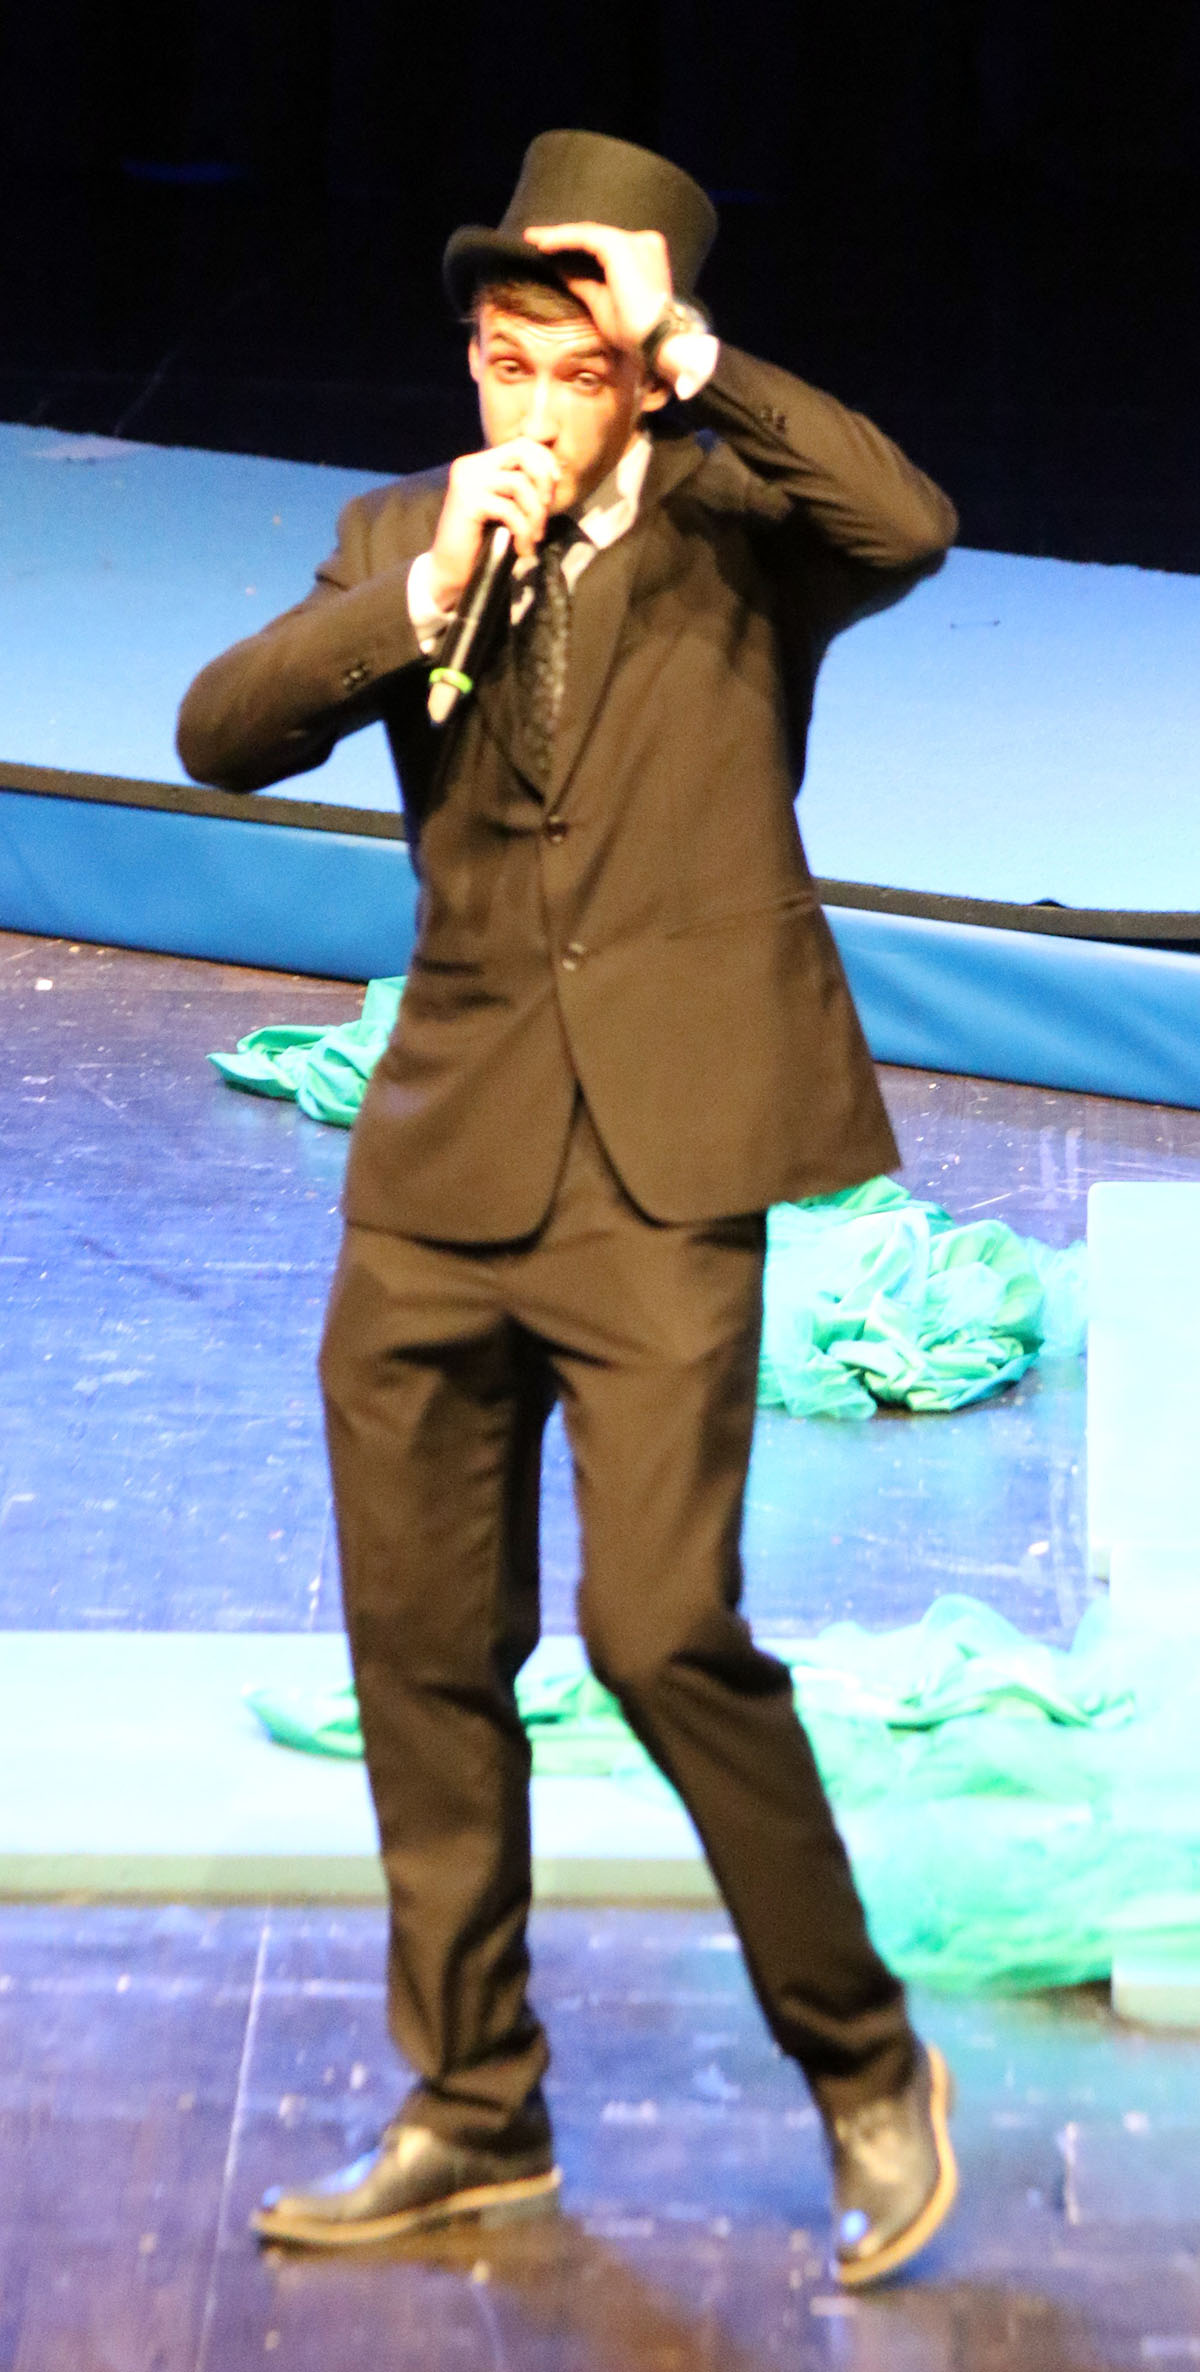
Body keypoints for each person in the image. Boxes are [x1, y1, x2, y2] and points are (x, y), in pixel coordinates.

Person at [177, 129, 960, 2287]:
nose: (527, 401)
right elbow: (222, 731)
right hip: (441, 1171)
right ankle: (473, 2107)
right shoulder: (404, 537)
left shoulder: (744, 531)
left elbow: (910, 519)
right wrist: (421, 595)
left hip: (661, 1170)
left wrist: (701, 357)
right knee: (426, 1645)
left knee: (656, 1628)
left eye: (574, 362)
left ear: (647, 373)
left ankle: (866, 2060)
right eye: (500, 358)